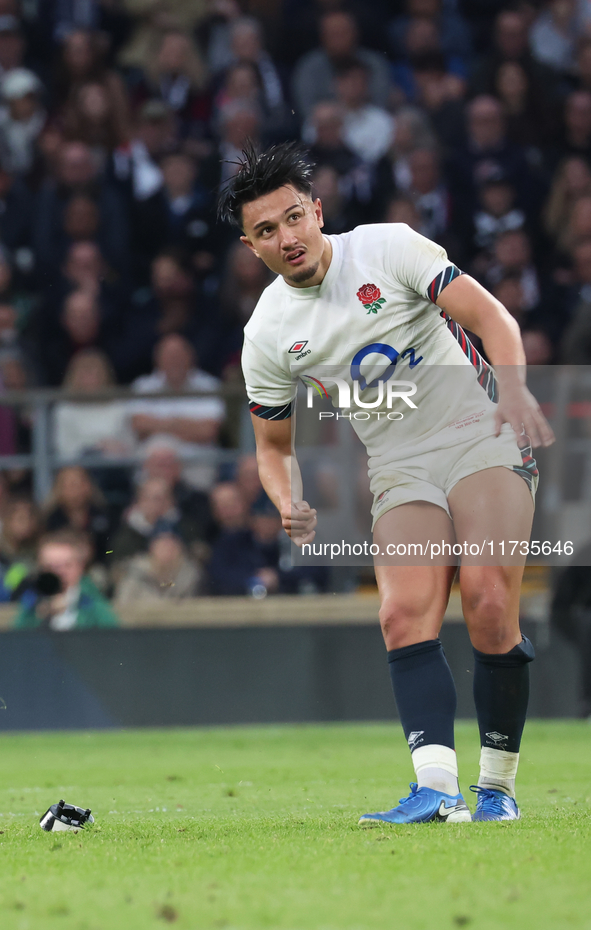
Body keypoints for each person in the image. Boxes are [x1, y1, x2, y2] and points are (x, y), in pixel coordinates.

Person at [218, 142, 554, 825]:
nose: (284, 239)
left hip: (480, 431)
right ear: (248, 245)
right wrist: (287, 499)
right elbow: (272, 446)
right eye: (264, 231)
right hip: (399, 466)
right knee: (400, 613)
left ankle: (496, 789)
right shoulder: (268, 334)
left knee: (488, 599)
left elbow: (492, 318)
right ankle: (436, 790)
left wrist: (514, 390)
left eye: (291, 219)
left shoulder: (387, 248)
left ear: (316, 211)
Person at [14, 529, 119, 630]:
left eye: (66, 566)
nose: (58, 573)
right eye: (50, 567)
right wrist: (40, 616)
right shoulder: (31, 605)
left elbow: (112, 637)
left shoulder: (94, 604)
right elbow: (16, 639)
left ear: (80, 567)